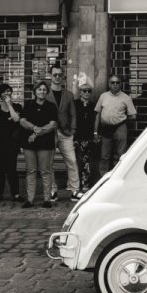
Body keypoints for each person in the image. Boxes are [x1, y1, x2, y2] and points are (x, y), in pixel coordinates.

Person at [19, 82, 58, 208]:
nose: (42, 91)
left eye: (44, 90)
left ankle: (47, 200)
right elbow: (22, 121)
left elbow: (52, 125)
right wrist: (35, 127)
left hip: (45, 143)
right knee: (31, 170)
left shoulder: (51, 106)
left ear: (47, 92)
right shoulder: (28, 105)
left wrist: (35, 134)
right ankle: (30, 200)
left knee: (45, 171)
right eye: (39, 89)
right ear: (35, 92)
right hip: (29, 143)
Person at [46, 66, 79, 203]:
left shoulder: (68, 94)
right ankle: (52, 190)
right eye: (55, 75)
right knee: (49, 162)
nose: (57, 77)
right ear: (50, 76)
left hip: (66, 132)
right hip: (49, 132)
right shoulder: (45, 92)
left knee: (72, 160)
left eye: (60, 75)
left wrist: (72, 130)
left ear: (63, 76)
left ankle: (74, 190)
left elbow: (73, 114)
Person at [0, 83, 23, 202]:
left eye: (8, 91)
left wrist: (9, 105)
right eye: (4, 92)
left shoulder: (17, 107)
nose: (7, 93)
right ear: (0, 94)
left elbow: (17, 119)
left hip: (12, 143)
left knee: (12, 169)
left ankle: (16, 194)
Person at [94, 75, 136, 175]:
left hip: (120, 128)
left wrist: (121, 120)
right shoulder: (103, 96)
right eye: (113, 82)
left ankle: (120, 176)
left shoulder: (126, 98)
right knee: (105, 155)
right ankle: (103, 178)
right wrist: (95, 132)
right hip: (105, 129)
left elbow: (133, 116)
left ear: (120, 84)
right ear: (109, 84)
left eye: (117, 82)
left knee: (121, 155)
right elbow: (98, 114)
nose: (115, 84)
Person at [73, 83, 97, 200]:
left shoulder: (93, 106)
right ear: (80, 92)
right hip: (77, 138)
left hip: (88, 138)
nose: (86, 93)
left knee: (87, 161)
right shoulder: (75, 104)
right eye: (84, 91)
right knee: (77, 162)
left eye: (89, 91)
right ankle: (76, 185)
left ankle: (86, 184)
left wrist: (95, 135)